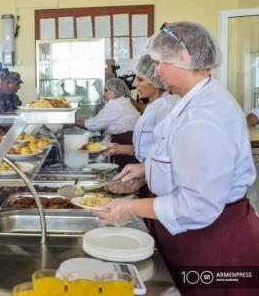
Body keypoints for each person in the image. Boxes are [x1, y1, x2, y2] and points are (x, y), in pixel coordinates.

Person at [95, 22, 259, 296]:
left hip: (215, 245)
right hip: (201, 238)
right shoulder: (196, 99)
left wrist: (129, 208)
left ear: (183, 57)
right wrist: (147, 169)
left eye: (160, 62)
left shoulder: (203, 116)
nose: (156, 70)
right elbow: (190, 162)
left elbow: (197, 206)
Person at [102, 55, 178, 196]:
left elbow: (168, 157)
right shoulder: (153, 105)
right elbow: (147, 148)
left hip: (161, 184)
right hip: (149, 177)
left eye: (140, 79)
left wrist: (139, 181)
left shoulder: (166, 107)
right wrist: (116, 148)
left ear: (157, 80)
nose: (134, 84)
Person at [76, 78, 140, 169]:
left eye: (106, 91)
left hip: (125, 147)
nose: (103, 94)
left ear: (115, 90)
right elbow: (111, 133)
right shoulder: (124, 102)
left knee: (127, 174)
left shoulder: (116, 104)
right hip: (128, 146)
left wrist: (71, 122)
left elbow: (93, 125)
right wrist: (99, 148)